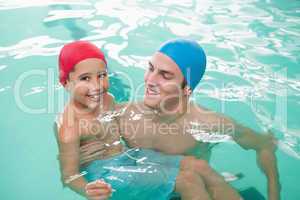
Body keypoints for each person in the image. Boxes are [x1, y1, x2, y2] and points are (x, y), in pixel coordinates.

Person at [54, 41, 241, 200]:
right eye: (85, 78)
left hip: (128, 157)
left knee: (197, 165)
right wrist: (87, 190)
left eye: (101, 76)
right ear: (66, 83)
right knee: (188, 182)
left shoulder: (108, 100)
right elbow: (68, 176)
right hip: (105, 175)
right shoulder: (70, 126)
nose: (96, 86)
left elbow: (126, 121)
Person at [115, 38, 281, 200]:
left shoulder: (207, 123)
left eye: (165, 75)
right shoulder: (123, 116)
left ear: (187, 88)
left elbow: (265, 145)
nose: (150, 80)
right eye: (151, 69)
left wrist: (274, 194)